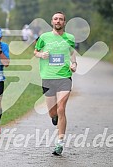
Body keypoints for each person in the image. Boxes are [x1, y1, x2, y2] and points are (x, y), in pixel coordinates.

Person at [34, 11, 77, 155]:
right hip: (48, 77)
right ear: (52, 22)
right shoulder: (44, 37)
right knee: (52, 112)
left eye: (61, 19)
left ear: (64, 23)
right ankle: (55, 118)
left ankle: (60, 143)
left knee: (61, 108)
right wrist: (41, 54)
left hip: (64, 77)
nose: (58, 21)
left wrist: (74, 64)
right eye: (55, 19)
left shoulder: (70, 38)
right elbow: (35, 51)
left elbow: (71, 53)